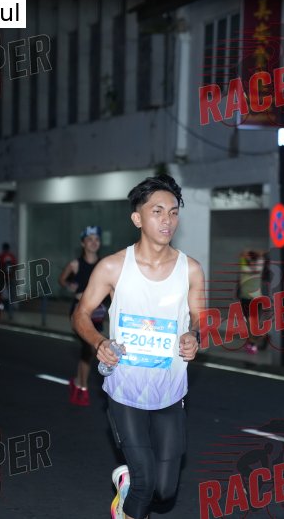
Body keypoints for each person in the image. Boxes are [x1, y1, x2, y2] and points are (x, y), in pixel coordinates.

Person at [72, 174, 204, 519]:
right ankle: (131, 496)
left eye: (173, 212)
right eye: (157, 211)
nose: (167, 220)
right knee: (146, 484)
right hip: (125, 389)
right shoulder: (113, 267)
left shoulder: (190, 270)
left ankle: (126, 480)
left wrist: (193, 335)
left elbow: (199, 317)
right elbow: (80, 314)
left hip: (170, 390)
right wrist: (99, 341)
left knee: (165, 491)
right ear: (137, 218)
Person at [59, 225, 105, 406]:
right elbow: (62, 279)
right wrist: (68, 285)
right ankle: (83, 388)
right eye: (89, 239)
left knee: (88, 350)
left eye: (97, 239)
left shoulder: (104, 265)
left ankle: (77, 382)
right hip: (79, 311)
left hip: (97, 312)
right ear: (83, 243)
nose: (93, 243)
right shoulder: (75, 264)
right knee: (88, 347)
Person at [238, 248, 268, 354]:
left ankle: (256, 341)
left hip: (255, 299)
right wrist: (253, 255)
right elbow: (243, 257)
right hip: (245, 298)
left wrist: (256, 255)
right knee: (248, 322)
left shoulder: (253, 268)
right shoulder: (249, 267)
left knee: (253, 323)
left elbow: (244, 257)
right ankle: (252, 341)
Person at [0, 242, 17, 318]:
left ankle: (0, 310)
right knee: (11, 296)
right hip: (11, 278)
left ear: (3, 248)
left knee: (0, 294)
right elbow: (15, 267)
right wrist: (12, 276)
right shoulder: (12, 256)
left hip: (3, 278)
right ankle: (11, 312)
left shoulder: (1, 256)